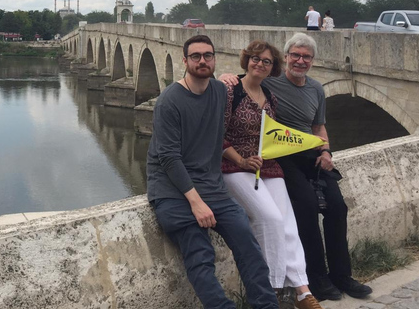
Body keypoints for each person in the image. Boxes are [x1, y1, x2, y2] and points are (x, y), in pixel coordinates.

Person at [222, 33, 371, 302]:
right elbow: (248, 77)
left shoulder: (315, 89)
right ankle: (315, 279)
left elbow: (318, 127)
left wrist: (326, 150)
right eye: (296, 55)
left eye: (306, 57)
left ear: (313, 61)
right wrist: (225, 75)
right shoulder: (272, 83)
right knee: (305, 207)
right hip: (282, 156)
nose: (300, 61)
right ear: (287, 57)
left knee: (338, 207)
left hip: (310, 153)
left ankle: (342, 275)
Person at [147, 35, 278, 309]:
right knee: (200, 255)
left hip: (212, 188)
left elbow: (223, 131)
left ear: (215, 59)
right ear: (185, 61)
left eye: (208, 55)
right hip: (174, 192)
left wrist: (241, 162)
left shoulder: (220, 91)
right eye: (196, 56)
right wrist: (196, 203)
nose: (202, 61)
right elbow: (169, 158)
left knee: (248, 246)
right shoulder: (169, 101)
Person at [221, 40, 322, 309]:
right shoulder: (229, 90)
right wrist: (242, 160)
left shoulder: (271, 97)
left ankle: (302, 290)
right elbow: (216, 135)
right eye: (256, 59)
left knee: (288, 221)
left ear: (272, 67)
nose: (260, 64)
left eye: (266, 61)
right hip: (234, 166)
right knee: (270, 219)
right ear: (246, 60)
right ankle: (273, 290)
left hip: (266, 164)